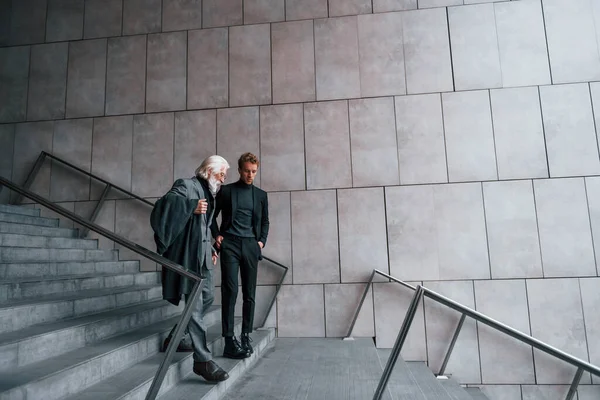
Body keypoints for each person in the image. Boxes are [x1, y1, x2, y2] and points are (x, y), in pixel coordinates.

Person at [150, 155, 230, 382]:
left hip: (204, 256)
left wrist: (212, 248)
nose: (223, 179)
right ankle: (202, 360)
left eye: (225, 175)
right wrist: (190, 206)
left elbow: (205, 227)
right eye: (221, 174)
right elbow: (163, 206)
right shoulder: (186, 185)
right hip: (189, 258)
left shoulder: (210, 193)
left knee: (207, 299)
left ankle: (177, 335)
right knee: (194, 306)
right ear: (209, 171)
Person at [212, 152, 269, 359]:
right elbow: (212, 215)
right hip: (230, 245)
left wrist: (261, 241)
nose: (250, 175)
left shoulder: (261, 195)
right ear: (239, 170)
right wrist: (217, 235)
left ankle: (245, 335)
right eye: (246, 170)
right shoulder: (226, 191)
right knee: (230, 291)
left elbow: (265, 221)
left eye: (253, 171)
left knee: (250, 293)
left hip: (251, 246)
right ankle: (228, 339)